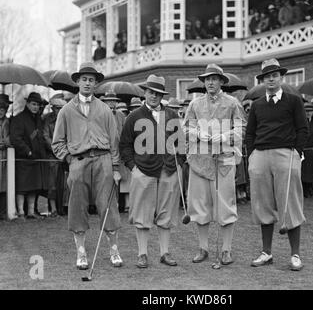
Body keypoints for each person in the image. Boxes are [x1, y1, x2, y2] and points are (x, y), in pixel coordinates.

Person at [52, 62, 123, 270]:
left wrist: (116, 168)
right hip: (78, 162)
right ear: (77, 81)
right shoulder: (66, 110)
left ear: (96, 84)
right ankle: (81, 253)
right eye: (84, 79)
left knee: (108, 205)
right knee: (77, 207)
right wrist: (69, 159)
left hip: (103, 161)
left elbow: (114, 140)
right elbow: (57, 142)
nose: (88, 83)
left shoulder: (104, 109)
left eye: (91, 80)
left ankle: (114, 250)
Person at [246, 58, 308, 271]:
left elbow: (302, 129)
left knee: (290, 204)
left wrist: (297, 152)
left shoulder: (293, 101)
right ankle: (266, 252)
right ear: (262, 80)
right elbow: (250, 133)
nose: (270, 79)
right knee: (263, 205)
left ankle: (295, 255)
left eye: (274, 75)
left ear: (281, 77)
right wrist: (252, 156)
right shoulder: (257, 105)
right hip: (260, 156)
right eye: (266, 76)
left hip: (286, 155)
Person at [183, 64, 246, 266]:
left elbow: (241, 129)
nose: (210, 82)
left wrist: (225, 135)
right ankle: (203, 249)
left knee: (225, 206)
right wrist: (197, 134)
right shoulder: (194, 105)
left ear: (221, 81)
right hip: (199, 160)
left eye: (214, 78)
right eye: (207, 79)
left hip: (224, 160)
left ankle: (226, 250)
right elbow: (186, 129)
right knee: (200, 206)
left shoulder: (233, 103)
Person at [119, 74, 184, 268]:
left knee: (166, 213)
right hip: (144, 171)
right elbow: (125, 145)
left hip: (169, 170)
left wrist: (179, 163)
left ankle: (165, 253)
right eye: (150, 92)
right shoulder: (134, 116)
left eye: (157, 93)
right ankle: (142, 254)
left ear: (162, 95)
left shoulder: (172, 115)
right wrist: (133, 168)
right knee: (142, 213)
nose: (153, 96)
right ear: (145, 92)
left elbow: (181, 143)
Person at [10, 92, 49, 220]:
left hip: (36, 158)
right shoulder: (19, 118)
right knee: (22, 187)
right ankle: (21, 212)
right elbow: (16, 139)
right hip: (23, 158)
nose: (36, 107)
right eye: (33, 104)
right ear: (27, 104)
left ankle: (31, 212)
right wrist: (28, 151)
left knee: (33, 187)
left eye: (38, 105)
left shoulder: (38, 120)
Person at [43, 96, 67, 217]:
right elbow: (45, 136)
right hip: (51, 156)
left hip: (65, 155)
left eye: (61, 108)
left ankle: (62, 208)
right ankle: (53, 209)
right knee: (51, 183)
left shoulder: (67, 119)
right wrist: (56, 149)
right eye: (57, 108)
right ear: (52, 108)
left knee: (63, 183)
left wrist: (65, 152)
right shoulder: (47, 119)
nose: (59, 110)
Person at [301, 102, 313, 198]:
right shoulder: (300, 122)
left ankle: (311, 188)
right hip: (304, 150)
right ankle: (305, 190)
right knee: (304, 171)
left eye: (310, 111)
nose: (308, 113)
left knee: (312, 170)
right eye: (306, 111)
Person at [0, 94, 12, 220]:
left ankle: (3, 212)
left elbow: (8, 140)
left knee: (3, 185)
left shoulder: (7, 122)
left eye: (2, 109)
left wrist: (5, 142)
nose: (0, 112)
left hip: (4, 157)